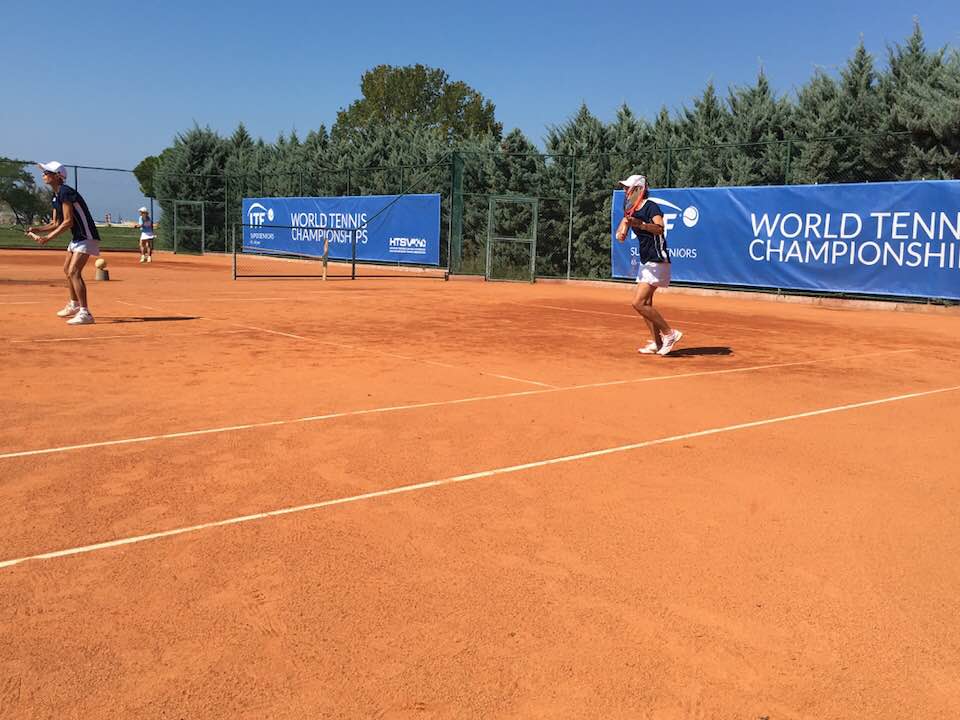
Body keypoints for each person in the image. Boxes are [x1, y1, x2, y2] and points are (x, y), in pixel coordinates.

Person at [26, 161, 100, 325]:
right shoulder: (56, 196)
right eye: (44, 172)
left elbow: (67, 222)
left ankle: (85, 313)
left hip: (86, 235)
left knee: (74, 272)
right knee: (67, 270)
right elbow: (55, 222)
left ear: (58, 176)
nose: (43, 175)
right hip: (77, 237)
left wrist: (48, 238)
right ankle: (74, 304)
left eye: (47, 172)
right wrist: (38, 229)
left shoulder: (66, 192)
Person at [615, 174, 682, 355]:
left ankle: (669, 333)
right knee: (647, 304)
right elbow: (625, 223)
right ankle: (658, 342)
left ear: (638, 189)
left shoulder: (651, 207)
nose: (625, 191)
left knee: (638, 303)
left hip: (657, 259)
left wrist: (642, 225)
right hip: (646, 261)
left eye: (627, 188)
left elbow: (660, 228)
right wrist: (621, 232)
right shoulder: (631, 210)